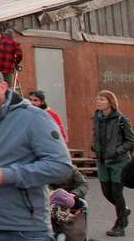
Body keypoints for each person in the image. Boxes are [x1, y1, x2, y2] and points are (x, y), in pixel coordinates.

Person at [0, 62, 73, 240]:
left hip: (23, 230)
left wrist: (8, 175)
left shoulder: (33, 118)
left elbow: (61, 166)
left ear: (3, 87)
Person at [93, 89, 134, 236]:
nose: (99, 101)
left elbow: (131, 141)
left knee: (117, 193)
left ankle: (120, 225)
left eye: (102, 99)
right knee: (106, 193)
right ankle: (124, 210)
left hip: (119, 162)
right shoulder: (97, 118)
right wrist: (95, 147)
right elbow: (96, 136)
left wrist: (117, 151)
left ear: (110, 102)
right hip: (102, 161)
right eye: (98, 99)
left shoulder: (121, 120)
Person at [50, 168, 89, 241]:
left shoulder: (71, 169)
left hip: (72, 200)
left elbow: (84, 184)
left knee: (76, 225)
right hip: (52, 200)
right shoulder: (45, 170)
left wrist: (74, 194)